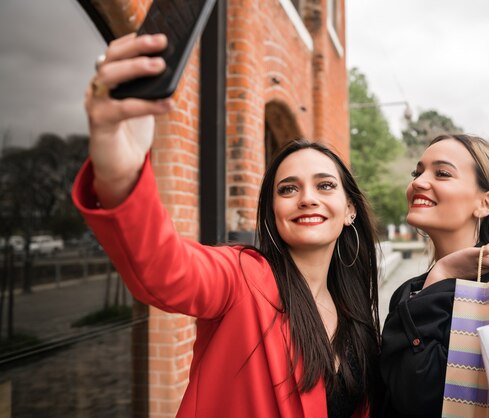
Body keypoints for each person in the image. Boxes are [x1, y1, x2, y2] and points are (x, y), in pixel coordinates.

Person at [72, 33, 381, 417]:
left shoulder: (355, 313)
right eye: (288, 189)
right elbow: (163, 266)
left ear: (349, 208)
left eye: (325, 185)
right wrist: (121, 170)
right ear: (272, 212)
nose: (307, 197)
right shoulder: (241, 278)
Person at [379, 134, 489, 417]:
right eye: (417, 172)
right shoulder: (410, 291)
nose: (418, 182)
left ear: (485, 203)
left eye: (442, 173)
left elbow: (422, 399)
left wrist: (442, 275)